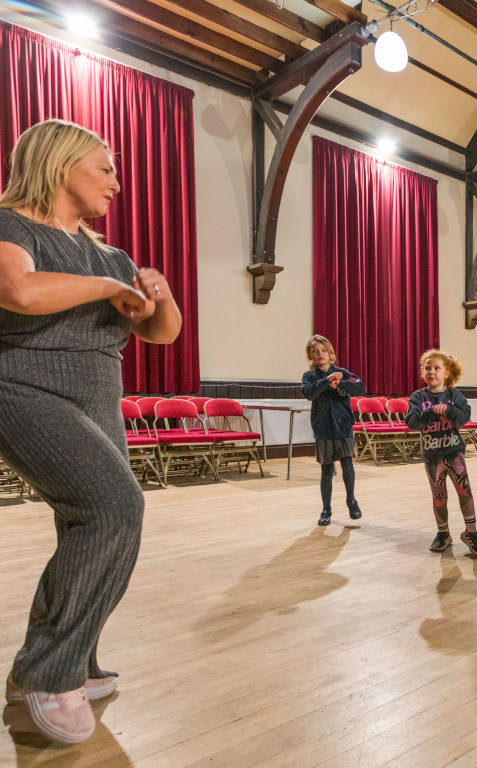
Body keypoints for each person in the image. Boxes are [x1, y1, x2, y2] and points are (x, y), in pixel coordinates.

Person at [0, 119, 182, 743]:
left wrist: (158, 294)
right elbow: (18, 289)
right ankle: (48, 672)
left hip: (97, 394)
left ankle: (70, 660)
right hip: (23, 387)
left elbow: (160, 333)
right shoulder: (12, 227)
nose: (117, 182)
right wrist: (110, 286)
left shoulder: (112, 255)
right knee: (112, 508)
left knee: (94, 524)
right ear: (59, 164)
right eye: (105, 168)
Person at [406, 349, 477, 558]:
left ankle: (471, 532)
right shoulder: (418, 397)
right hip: (432, 457)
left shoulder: (454, 395)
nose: (431, 372)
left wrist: (449, 411)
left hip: (454, 453)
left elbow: (463, 417)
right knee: (439, 496)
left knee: (465, 492)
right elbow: (411, 422)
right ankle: (443, 533)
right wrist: (431, 412)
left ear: (446, 373)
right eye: (427, 368)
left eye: (436, 368)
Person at [301, 334, 366, 526]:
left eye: (323, 350)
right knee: (327, 470)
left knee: (347, 465)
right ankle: (326, 509)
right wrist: (325, 382)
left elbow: (360, 388)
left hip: (343, 426)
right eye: (315, 351)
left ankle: (351, 500)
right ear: (310, 356)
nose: (319, 354)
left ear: (331, 354)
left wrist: (341, 383)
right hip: (323, 428)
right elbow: (308, 393)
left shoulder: (343, 373)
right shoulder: (309, 376)